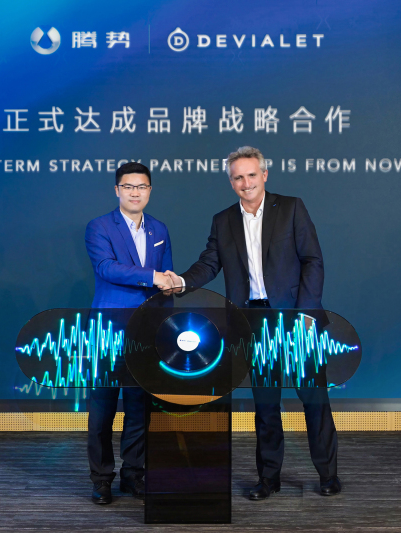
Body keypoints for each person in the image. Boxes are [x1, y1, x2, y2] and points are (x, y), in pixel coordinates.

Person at [161, 146, 341, 499]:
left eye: (251, 175)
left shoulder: (291, 207)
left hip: (297, 320)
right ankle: (268, 478)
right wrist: (180, 281)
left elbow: (313, 261)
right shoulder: (223, 220)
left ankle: (328, 475)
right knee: (266, 404)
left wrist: (306, 313)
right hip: (252, 322)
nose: (246, 183)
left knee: (315, 400)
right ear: (231, 182)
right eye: (238, 177)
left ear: (264, 175)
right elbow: (209, 264)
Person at [84, 162, 176, 504]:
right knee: (102, 409)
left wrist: (167, 312)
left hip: (147, 332)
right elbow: (106, 268)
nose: (135, 192)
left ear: (150, 190)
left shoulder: (159, 228)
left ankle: (133, 475)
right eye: (128, 186)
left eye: (141, 186)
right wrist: (153, 277)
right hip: (108, 331)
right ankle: (101, 479)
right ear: (117, 190)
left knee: (139, 407)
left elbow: (166, 277)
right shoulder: (99, 226)